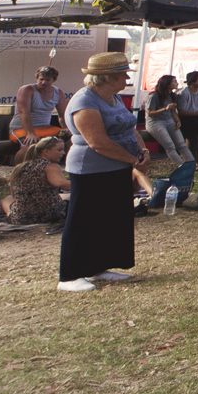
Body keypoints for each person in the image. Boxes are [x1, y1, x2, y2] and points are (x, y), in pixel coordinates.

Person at [59, 52, 151, 292]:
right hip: (91, 169)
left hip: (117, 165)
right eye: (122, 75)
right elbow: (97, 142)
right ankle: (69, 275)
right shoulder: (84, 102)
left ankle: (98, 267)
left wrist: (142, 151)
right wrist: (132, 160)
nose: (126, 79)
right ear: (107, 77)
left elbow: (129, 128)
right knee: (83, 220)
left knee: (110, 219)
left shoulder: (114, 98)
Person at [4, 135, 72, 225]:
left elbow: (13, 193)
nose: (63, 153)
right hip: (48, 215)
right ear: (46, 152)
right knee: (70, 196)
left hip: (22, 218)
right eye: (59, 150)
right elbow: (62, 184)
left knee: (7, 199)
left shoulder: (19, 168)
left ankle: (10, 213)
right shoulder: (50, 166)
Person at [143, 75, 196, 165]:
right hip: (155, 122)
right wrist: (165, 108)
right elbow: (150, 113)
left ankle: (191, 164)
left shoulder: (172, 95)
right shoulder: (154, 96)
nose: (177, 83)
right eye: (174, 81)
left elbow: (173, 111)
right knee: (170, 146)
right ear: (167, 84)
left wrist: (177, 120)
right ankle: (181, 166)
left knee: (181, 144)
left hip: (169, 120)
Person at [10, 66, 70, 142]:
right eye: (41, 79)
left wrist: (66, 128)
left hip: (45, 128)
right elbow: (24, 113)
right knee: (30, 143)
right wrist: (30, 133)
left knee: (69, 139)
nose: (44, 82)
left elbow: (62, 115)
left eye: (47, 80)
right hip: (21, 128)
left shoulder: (58, 92)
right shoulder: (27, 90)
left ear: (54, 80)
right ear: (37, 78)